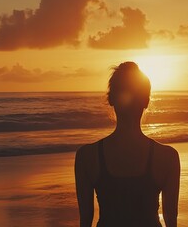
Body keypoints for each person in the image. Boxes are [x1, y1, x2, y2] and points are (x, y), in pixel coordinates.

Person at [74, 61, 180, 227]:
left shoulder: (87, 157)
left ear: (111, 99)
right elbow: (171, 221)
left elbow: (85, 222)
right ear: (146, 101)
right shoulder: (168, 157)